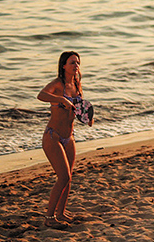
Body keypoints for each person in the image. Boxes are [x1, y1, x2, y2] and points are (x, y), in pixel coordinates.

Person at [37, 51, 93, 226]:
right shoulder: (57, 84)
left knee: (68, 178)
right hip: (53, 136)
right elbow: (41, 95)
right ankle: (49, 218)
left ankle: (60, 213)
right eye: (72, 63)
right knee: (63, 177)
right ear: (63, 66)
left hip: (69, 137)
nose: (76, 65)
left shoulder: (77, 84)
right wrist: (61, 98)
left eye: (77, 63)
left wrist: (88, 117)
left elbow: (79, 108)